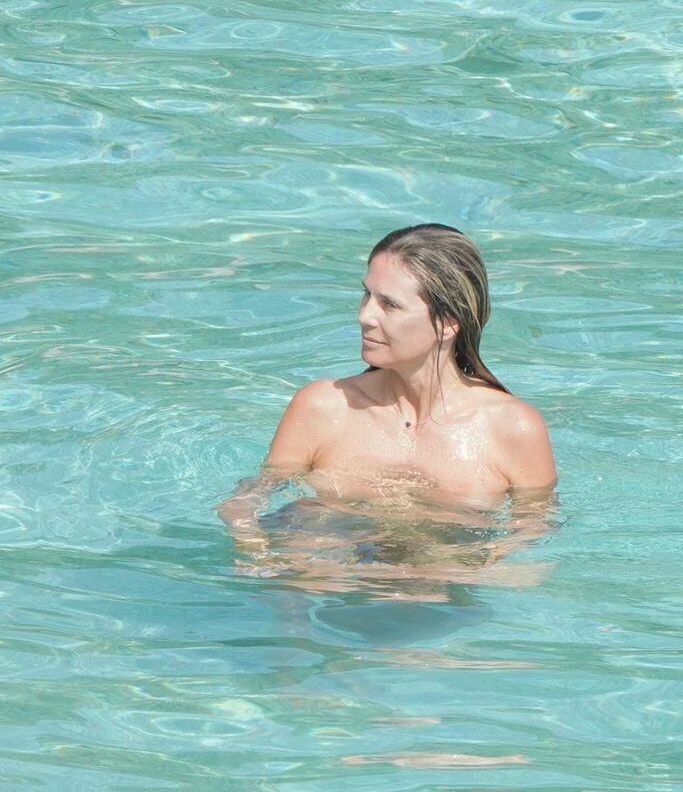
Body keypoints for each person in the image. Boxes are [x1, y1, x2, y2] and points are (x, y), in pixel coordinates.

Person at [219, 224, 555, 567]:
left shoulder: (512, 428)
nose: (364, 315)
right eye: (366, 295)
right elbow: (245, 501)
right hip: (317, 579)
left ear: (448, 322)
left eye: (389, 305)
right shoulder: (322, 407)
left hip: (435, 584)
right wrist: (253, 545)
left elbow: (532, 537)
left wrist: (462, 569)